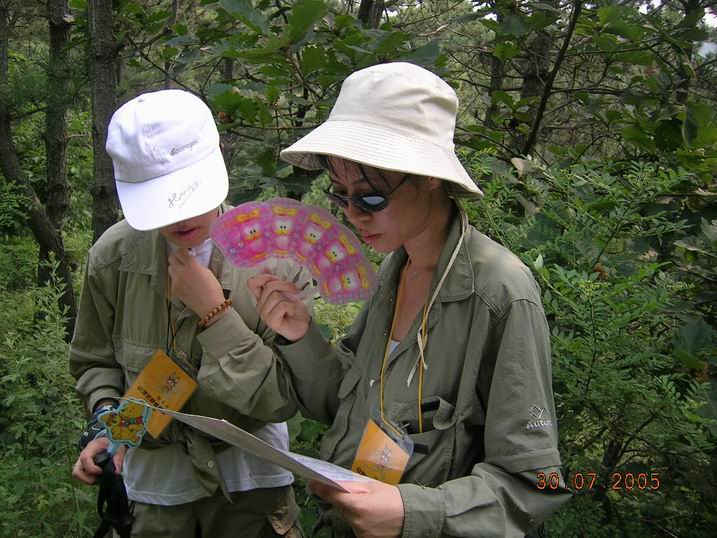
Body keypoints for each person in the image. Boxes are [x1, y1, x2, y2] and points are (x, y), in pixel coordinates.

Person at [247, 62, 572, 537]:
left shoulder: (500, 294)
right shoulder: (394, 271)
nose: (353, 214)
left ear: (429, 177)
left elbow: (534, 483)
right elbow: (346, 405)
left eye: (371, 198)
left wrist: (412, 512)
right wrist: (301, 336)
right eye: (340, 196)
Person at [70, 89, 310, 537]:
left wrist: (215, 313)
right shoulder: (113, 258)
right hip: (157, 491)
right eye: (160, 200)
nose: (179, 216)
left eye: (188, 193)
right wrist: (109, 426)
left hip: (253, 487)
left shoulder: (276, 260)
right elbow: (95, 361)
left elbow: (283, 397)